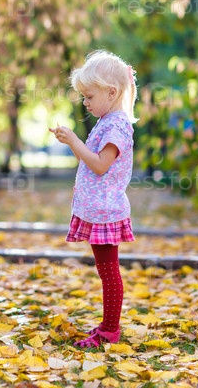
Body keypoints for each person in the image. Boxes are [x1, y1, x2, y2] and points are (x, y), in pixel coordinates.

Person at [49, 50, 138, 349]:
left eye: (89, 96)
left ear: (111, 92)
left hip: (106, 212)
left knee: (109, 273)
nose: (85, 102)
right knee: (105, 270)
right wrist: (73, 142)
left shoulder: (116, 126)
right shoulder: (107, 121)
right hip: (98, 210)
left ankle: (110, 330)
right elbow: (92, 162)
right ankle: (108, 325)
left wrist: (74, 140)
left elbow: (100, 165)